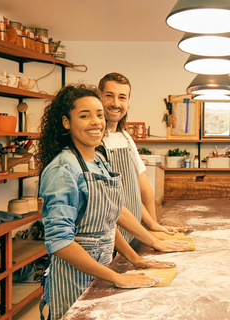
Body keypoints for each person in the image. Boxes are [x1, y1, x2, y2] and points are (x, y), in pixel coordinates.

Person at [36, 84, 176, 320]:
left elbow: (108, 220)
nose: (96, 122)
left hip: (102, 271)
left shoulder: (99, 160)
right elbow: (60, 243)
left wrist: (136, 260)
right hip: (73, 281)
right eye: (85, 115)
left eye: (99, 115)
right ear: (66, 122)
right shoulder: (63, 170)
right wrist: (116, 276)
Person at [98, 72, 181, 245]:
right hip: (109, 238)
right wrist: (151, 236)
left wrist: (153, 226)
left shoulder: (126, 138)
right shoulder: (94, 141)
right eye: (109, 96)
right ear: (98, 97)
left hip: (133, 233)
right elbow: (107, 204)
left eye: (122, 97)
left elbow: (139, 192)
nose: (115, 103)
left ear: (128, 103)